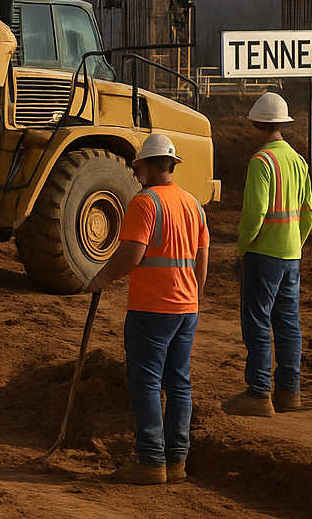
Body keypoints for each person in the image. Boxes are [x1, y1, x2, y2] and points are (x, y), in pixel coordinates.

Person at [87, 133, 210, 486]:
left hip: (152, 308)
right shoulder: (193, 204)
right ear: (171, 164)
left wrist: (103, 277)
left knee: (146, 383)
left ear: (146, 165)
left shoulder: (145, 203)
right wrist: (194, 295)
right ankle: (177, 461)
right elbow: (202, 259)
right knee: (179, 383)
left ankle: (151, 462)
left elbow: (132, 253)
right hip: (186, 308)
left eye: (137, 164)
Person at [224, 92, 312, 417]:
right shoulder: (297, 160)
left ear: (258, 124)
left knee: (258, 322)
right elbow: (309, 212)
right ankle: (289, 393)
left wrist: (242, 247)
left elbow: (255, 215)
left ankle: (259, 393)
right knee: (289, 323)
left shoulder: (261, 162)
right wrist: (295, 243)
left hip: (263, 254)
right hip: (291, 255)